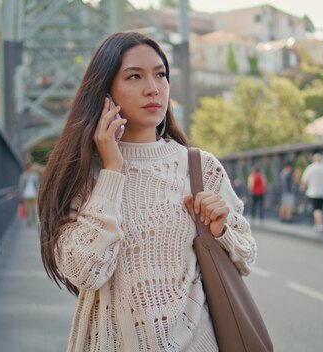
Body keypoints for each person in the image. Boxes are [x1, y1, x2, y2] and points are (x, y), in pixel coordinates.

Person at [37, 32, 256, 351]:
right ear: (105, 91)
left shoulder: (200, 167)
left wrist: (221, 230)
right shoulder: (86, 174)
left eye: (161, 74)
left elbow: (246, 256)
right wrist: (112, 170)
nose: (153, 88)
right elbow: (86, 272)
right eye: (134, 76)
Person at [300, 154, 323, 234]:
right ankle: (318, 224)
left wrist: (303, 189)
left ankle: (319, 225)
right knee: (320, 209)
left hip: (313, 192)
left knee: (316, 209)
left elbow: (304, 181)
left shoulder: (310, 168)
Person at [19, 161, 41, 227]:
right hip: (26, 195)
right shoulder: (23, 175)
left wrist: (38, 193)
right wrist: (21, 194)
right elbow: (21, 185)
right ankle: (28, 222)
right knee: (27, 209)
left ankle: (33, 220)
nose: (30, 168)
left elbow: (37, 184)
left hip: (33, 194)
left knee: (34, 209)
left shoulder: (35, 175)